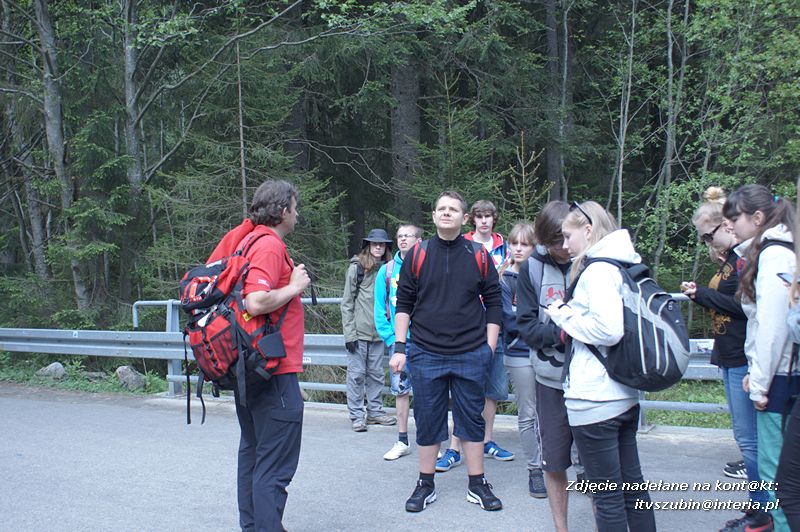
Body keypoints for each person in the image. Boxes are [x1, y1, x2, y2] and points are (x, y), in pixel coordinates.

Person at [544, 200, 656, 532]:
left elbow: (608, 330)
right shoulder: (623, 264)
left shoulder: (598, 270)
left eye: (568, 235)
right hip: (623, 393)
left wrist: (562, 314)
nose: (565, 245)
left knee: (608, 499)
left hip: (595, 399)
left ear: (588, 230)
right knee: (632, 490)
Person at [391, 190, 504, 512]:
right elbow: (404, 304)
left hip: (471, 352)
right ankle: (425, 484)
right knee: (428, 419)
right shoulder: (418, 254)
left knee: (472, 420)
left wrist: (489, 347)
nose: (446, 213)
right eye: (441, 208)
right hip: (426, 352)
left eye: (453, 209)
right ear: (433, 216)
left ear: (464, 217)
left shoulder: (479, 255)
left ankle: (478, 483)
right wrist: (401, 346)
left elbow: (494, 302)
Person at [680, 187, 771, 531]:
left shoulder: (747, 259)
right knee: (748, 439)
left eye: (709, 233)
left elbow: (744, 308)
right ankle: (760, 510)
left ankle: (762, 514)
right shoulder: (733, 260)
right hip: (732, 355)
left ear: (727, 226)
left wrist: (702, 294)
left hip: (743, 358)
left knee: (752, 442)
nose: (707, 241)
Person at [236, 179, 310, 531]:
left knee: (253, 453)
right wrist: (294, 286)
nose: (297, 215)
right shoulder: (268, 245)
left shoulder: (247, 241)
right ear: (283, 211)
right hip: (272, 370)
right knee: (273, 464)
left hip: (251, 368)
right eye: (295, 208)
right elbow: (255, 302)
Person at [724, 184, 796, 532]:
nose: (730, 226)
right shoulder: (776, 249)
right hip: (780, 373)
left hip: (781, 379)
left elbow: (772, 327)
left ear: (757, 217)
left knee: (776, 478)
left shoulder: (775, 255)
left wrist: (761, 383)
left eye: (734, 218)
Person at [515, 201, 582, 531]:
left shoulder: (591, 261)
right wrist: (563, 332)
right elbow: (525, 327)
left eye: (566, 239)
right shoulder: (532, 269)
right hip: (550, 378)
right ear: (542, 240)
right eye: (555, 242)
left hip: (592, 380)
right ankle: (561, 528)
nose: (563, 249)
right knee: (554, 460)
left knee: (596, 464)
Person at [437, 199, 513, 472]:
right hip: (466, 325)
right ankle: (454, 448)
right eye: (479, 216)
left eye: (488, 216)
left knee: (491, 388)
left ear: (494, 219)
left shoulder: (507, 247)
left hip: (496, 323)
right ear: (472, 219)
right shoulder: (464, 244)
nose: (484, 221)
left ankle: (486, 440)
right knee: (462, 388)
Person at [498, 221, 546, 498]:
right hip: (518, 352)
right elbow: (511, 320)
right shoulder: (504, 278)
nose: (517, 248)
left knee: (556, 412)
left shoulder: (544, 275)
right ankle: (535, 469)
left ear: (535, 246)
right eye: (513, 243)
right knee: (528, 413)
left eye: (524, 244)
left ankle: (576, 467)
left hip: (547, 351)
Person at [374, 223, 423, 460]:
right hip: (400, 342)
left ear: (419, 240)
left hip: (427, 341)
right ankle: (402, 440)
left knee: (428, 391)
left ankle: (429, 439)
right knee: (401, 391)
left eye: (408, 236)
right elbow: (379, 309)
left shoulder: (427, 266)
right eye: (400, 236)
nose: (403, 239)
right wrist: (392, 339)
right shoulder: (387, 271)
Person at [341, 228, 397, 432]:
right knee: (356, 375)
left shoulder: (389, 270)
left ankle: (375, 412)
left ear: (386, 247)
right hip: (358, 331)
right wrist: (349, 334)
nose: (378, 247)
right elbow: (347, 303)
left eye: (382, 244)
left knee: (376, 374)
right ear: (368, 245)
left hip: (379, 333)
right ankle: (357, 415)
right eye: (375, 244)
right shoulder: (357, 268)